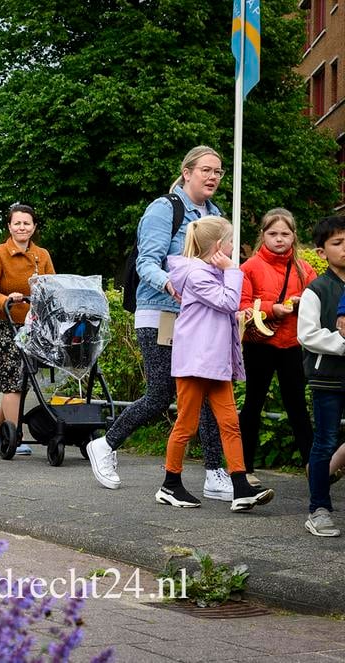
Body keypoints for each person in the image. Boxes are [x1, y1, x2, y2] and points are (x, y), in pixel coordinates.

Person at [87, 146, 234, 501]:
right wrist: (171, 283)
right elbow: (147, 262)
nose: (213, 176)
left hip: (198, 319)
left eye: (218, 172)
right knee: (161, 394)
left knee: (206, 389)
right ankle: (105, 444)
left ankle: (215, 472)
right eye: (206, 170)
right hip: (160, 314)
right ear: (187, 172)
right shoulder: (164, 209)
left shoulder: (215, 215)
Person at [157, 216, 275, 512]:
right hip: (197, 361)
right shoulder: (198, 274)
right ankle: (170, 484)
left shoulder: (210, 272)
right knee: (186, 423)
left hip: (214, 362)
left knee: (230, 423)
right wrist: (232, 271)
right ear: (220, 245)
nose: (235, 247)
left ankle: (240, 486)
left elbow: (226, 308)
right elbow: (228, 302)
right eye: (232, 241)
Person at [238, 209, 316, 483]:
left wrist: (300, 304)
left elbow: (318, 304)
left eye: (285, 233)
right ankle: (244, 468)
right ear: (262, 235)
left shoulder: (304, 268)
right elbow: (241, 306)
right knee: (253, 403)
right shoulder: (249, 267)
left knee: (297, 405)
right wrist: (273, 309)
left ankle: (313, 467)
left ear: (294, 236)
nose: (279, 239)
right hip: (260, 343)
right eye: (273, 234)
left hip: (292, 343)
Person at [0, 203, 55, 455]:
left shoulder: (42, 255)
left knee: (24, 382)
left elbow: (52, 286)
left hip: (33, 326)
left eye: (26, 223)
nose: (22, 227)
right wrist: (5, 299)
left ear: (34, 227)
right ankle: (14, 435)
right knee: (12, 383)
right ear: (9, 226)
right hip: (3, 323)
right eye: (17, 223)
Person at [298, 215, 345, 536]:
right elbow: (307, 334)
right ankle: (318, 508)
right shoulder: (317, 289)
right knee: (325, 440)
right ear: (321, 251)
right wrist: (342, 342)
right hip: (327, 376)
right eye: (337, 243)